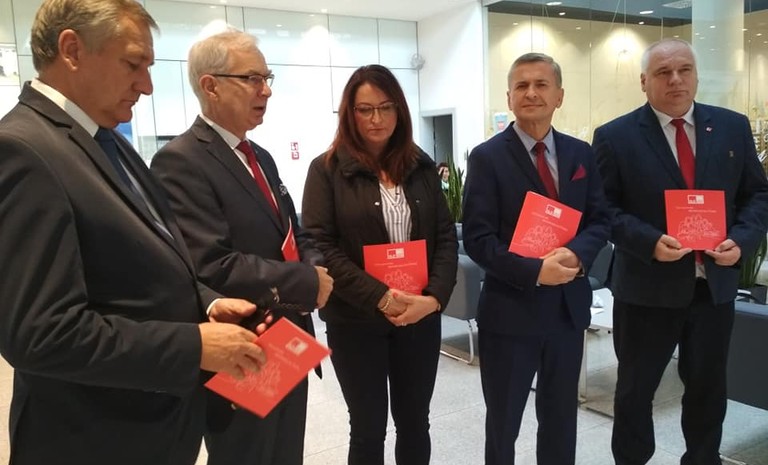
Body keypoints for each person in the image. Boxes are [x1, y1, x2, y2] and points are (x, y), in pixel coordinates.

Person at [0, 1, 271, 464]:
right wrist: (193, 346)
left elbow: (143, 263)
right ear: (72, 50)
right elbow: (41, 333)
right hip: (93, 439)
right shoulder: (23, 149)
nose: (146, 86)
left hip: (153, 427)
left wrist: (206, 303)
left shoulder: (108, 141)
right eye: (133, 64)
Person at [150, 30, 333, 465]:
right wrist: (306, 280)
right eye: (252, 78)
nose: (266, 90)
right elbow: (210, 264)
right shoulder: (180, 161)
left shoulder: (261, 157)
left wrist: (317, 267)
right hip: (242, 349)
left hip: (290, 343)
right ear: (210, 85)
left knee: (286, 453)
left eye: (267, 78)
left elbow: (293, 231)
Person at [593, 38, 768, 465]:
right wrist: (648, 241)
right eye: (663, 72)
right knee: (635, 392)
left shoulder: (731, 127)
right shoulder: (615, 137)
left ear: (696, 75)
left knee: (708, 390)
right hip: (645, 292)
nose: (675, 80)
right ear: (644, 81)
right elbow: (602, 209)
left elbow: (757, 194)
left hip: (714, 288)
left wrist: (742, 241)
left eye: (684, 70)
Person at [301, 64, 458, 465]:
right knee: (368, 428)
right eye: (365, 109)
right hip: (356, 320)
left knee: (415, 423)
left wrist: (434, 299)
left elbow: (444, 238)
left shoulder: (420, 166)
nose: (377, 118)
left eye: (386, 107)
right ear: (349, 113)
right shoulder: (326, 170)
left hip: (418, 317)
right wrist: (381, 297)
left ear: (399, 110)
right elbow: (321, 246)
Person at [462, 52, 610, 465]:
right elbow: (477, 238)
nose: (531, 93)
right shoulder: (487, 157)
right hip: (510, 313)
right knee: (503, 423)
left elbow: (600, 219)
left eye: (541, 84)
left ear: (559, 95)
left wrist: (577, 255)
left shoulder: (581, 154)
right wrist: (535, 271)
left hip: (567, 312)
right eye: (521, 86)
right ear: (509, 97)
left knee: (561, 419)